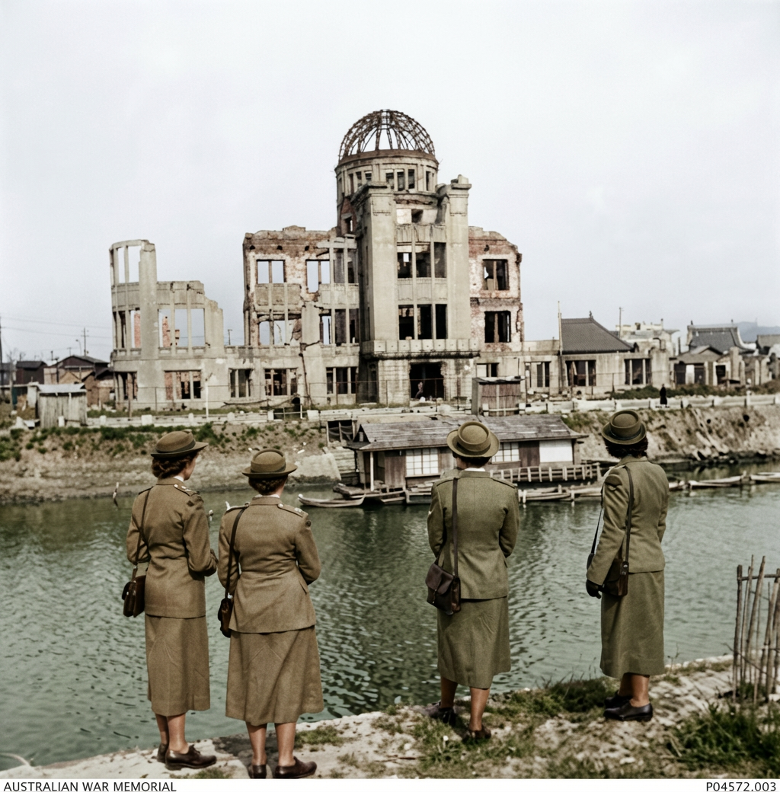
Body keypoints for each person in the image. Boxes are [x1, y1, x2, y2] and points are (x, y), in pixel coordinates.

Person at [219, 449, 324, 779]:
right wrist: (288, 584)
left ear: (252, 482)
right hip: (290, 611)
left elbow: (226, 573)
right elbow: (312, 569)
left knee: (254, 684)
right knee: (288, 684)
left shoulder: (232, 519)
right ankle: (286, 762)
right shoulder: (294, 520)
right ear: (284, 481)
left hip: (247, 610)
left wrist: (248, 588)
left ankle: (258, 761)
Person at [126, 430, 218, 770]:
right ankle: (179, 747)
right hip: (183, 595)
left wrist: (160, 555)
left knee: (161, 667)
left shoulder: (143, 499)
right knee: (178, 670)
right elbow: (199, 562)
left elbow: (134, 551)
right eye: (195, 457)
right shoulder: (189, 500)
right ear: (187, 462)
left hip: (154, 593)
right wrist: (217, 560)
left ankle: (165, 743)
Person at [425, 421, 520, 741]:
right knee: (484, 653)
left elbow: (435, 539)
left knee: (450, 645)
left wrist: (452, 558)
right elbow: (509, 543)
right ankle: (476, 725)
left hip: (452, 583)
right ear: (489, 457)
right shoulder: (506, 493)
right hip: (491, 584)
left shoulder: (443, 489)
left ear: (457, 454)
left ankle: (446, 706)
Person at [586, 409, 669, 722]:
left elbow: (613, 532)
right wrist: (648, 549)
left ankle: (639, 701)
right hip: (652, 563)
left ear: (612, 445)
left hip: (625, 568)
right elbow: (659, 523)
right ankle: (626, 691)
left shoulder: (619, 477)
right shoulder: (659, 473)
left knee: (627, 631)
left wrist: (595, 574)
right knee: (641, 631)